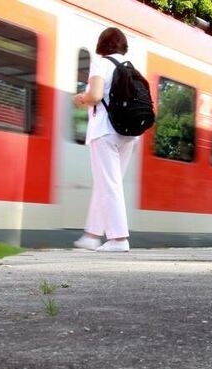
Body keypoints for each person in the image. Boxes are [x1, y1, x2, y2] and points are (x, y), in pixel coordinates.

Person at [72, 27, 138, 252]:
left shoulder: (101, 63)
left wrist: (81, 98)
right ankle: (91, 235)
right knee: (107, 183)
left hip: (105, 131)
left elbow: (96, 95)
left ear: (103, 44)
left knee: (109, 184)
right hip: (128, 134)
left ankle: (119, 239)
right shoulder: (130, 67)